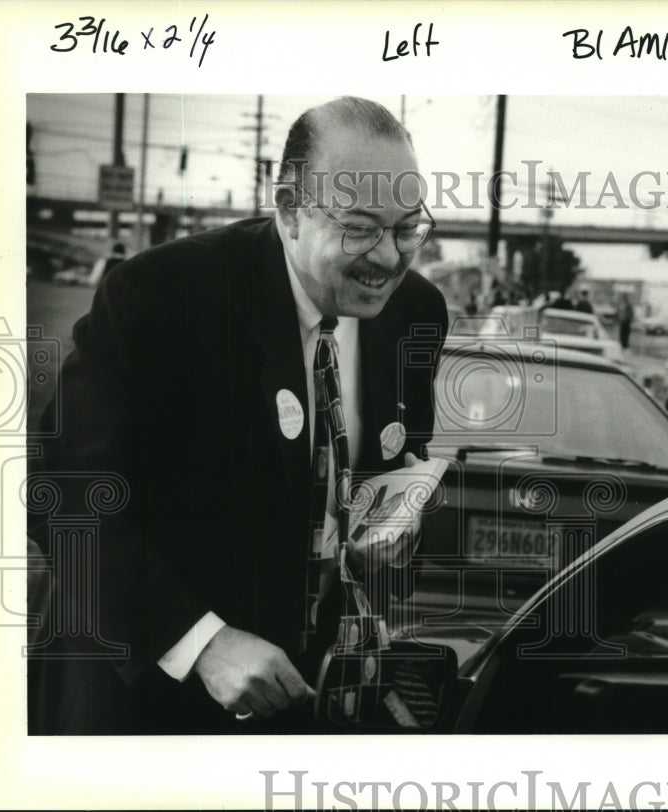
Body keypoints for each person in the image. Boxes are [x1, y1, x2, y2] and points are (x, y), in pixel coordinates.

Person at [27, 97, 448, 735]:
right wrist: (204, 644)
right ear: (288, 209)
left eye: (407, 229)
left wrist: (387, 537)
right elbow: (65, 497)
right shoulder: (164, 296)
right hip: (144, 705)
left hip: (304, 702)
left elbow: (386, 482)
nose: (388, 258)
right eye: (360, 228)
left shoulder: (416, 312)